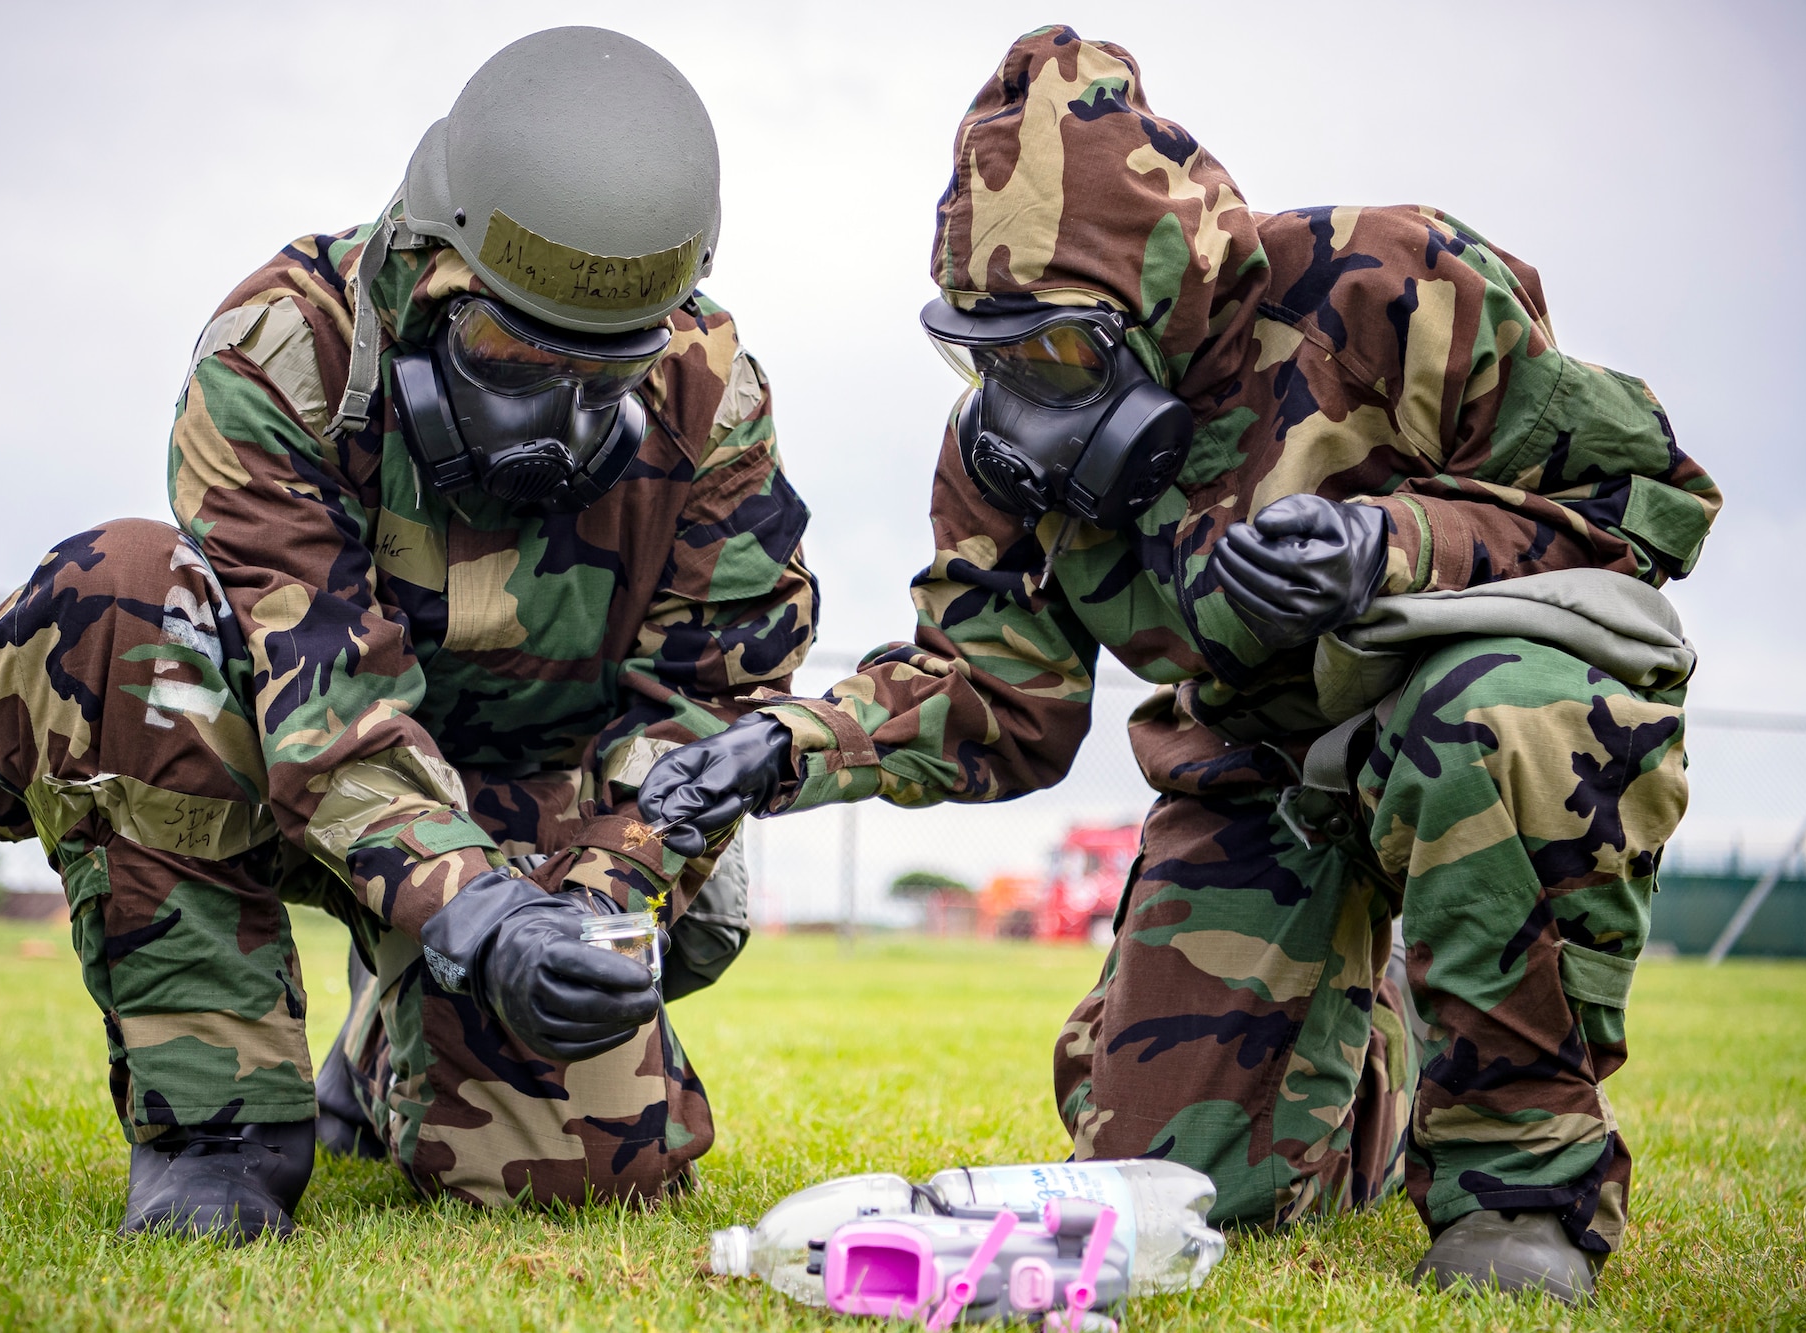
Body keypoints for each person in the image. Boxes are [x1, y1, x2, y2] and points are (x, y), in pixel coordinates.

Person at [636, 26, 1718, 1303]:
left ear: (1168, 301)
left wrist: (1392, 543)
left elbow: (1645, 500)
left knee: (1492, 720)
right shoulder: (1005, 452)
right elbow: (996, 699)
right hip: (1259, 770)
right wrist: (789, 743)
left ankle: (1513, 1186)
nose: (1012, 396)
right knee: (1174, 1181)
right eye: (982, 353)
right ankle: (1376, 1041)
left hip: (1481, 712)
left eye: (1051, 353)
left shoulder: (1392, 287)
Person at [0, 26, 816, 1242]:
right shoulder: (286, 352)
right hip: (285, 757)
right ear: (436, 269)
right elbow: (322, 693)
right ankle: (220, 1125)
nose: (557, 429)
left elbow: (707, 696)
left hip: (532, 795)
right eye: (516, 360)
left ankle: (384, 1042)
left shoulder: (709, 394)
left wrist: (598, 893)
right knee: (115, 590)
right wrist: (473, 909)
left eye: (601, 382)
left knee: (580, 1173)